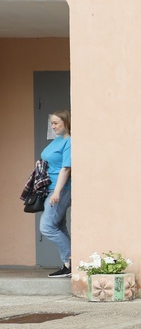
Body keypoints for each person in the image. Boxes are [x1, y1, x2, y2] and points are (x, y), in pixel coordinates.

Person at [40, 110, 73, 278]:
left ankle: (71, 260)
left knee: (47, 227)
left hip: (61, 188)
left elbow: (66, 168)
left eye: (56, 123)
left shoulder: (70, 141)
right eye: (51, 123)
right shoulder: (58, 140)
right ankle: (68, 264)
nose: (53, 126)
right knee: (59, 226)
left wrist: (57, 192)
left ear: (66, 122)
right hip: (50, 187)